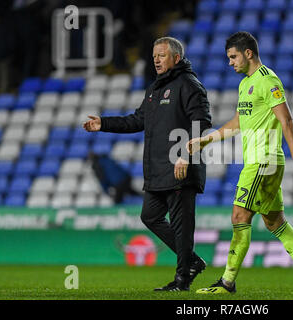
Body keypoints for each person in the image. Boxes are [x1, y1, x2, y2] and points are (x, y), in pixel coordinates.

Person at [187, 31, 293, 294]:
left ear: (248, 53)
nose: (230, 62)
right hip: (260, 162)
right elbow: (239, 122)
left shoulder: (268, 80)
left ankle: (227, 282)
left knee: (240, 215)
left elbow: (286, 119)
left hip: (264, 161)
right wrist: (207, 140)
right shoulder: (245, 84)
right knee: (275, 222)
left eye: (233, 56)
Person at [83, 37, 212, 291]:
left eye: (162, 55)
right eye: (154, 55)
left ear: (176, 58)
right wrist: (104, 124)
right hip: (157, 170)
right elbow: (137, 120)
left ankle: (182, 280)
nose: (156, 59)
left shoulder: (189, 84)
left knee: (181, 226)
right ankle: (192, 261)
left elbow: (202, 122)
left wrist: (186, 155)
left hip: (180, 167)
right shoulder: (154, 89)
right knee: (149, 216)